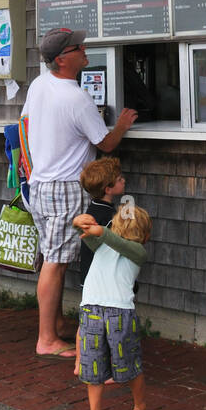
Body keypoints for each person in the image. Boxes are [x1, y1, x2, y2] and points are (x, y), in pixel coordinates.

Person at [22, 28, 138, 358]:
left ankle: (55, 323)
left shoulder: (39, 84)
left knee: (49, 256)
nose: (85, 50)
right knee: (56, 263)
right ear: (61, 58)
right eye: (78, 47)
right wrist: (123, 124)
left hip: (41, 184)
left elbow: (25, 122)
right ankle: (46, 339)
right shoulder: (76, 98)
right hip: (66, 187)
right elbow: (106, 143)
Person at [72, 202, 154, 410]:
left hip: (91, 311)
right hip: (117, 313)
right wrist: (78, 222)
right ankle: (131, 408)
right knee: (125, 365)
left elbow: (118, 242)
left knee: (100, 365)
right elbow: (83, 232)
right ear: (146, 235)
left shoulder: (137, 252)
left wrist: (102, 231)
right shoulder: (102, 244)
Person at [74, 156, 127, 374]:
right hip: (103, 278)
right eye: (120, 178)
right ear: (108, 188)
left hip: (87, 274)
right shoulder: (108, 217)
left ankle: (79, 362)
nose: (124, 180)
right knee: (108, 323)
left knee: (86, 321)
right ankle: (109, 368)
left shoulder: (91, 209)